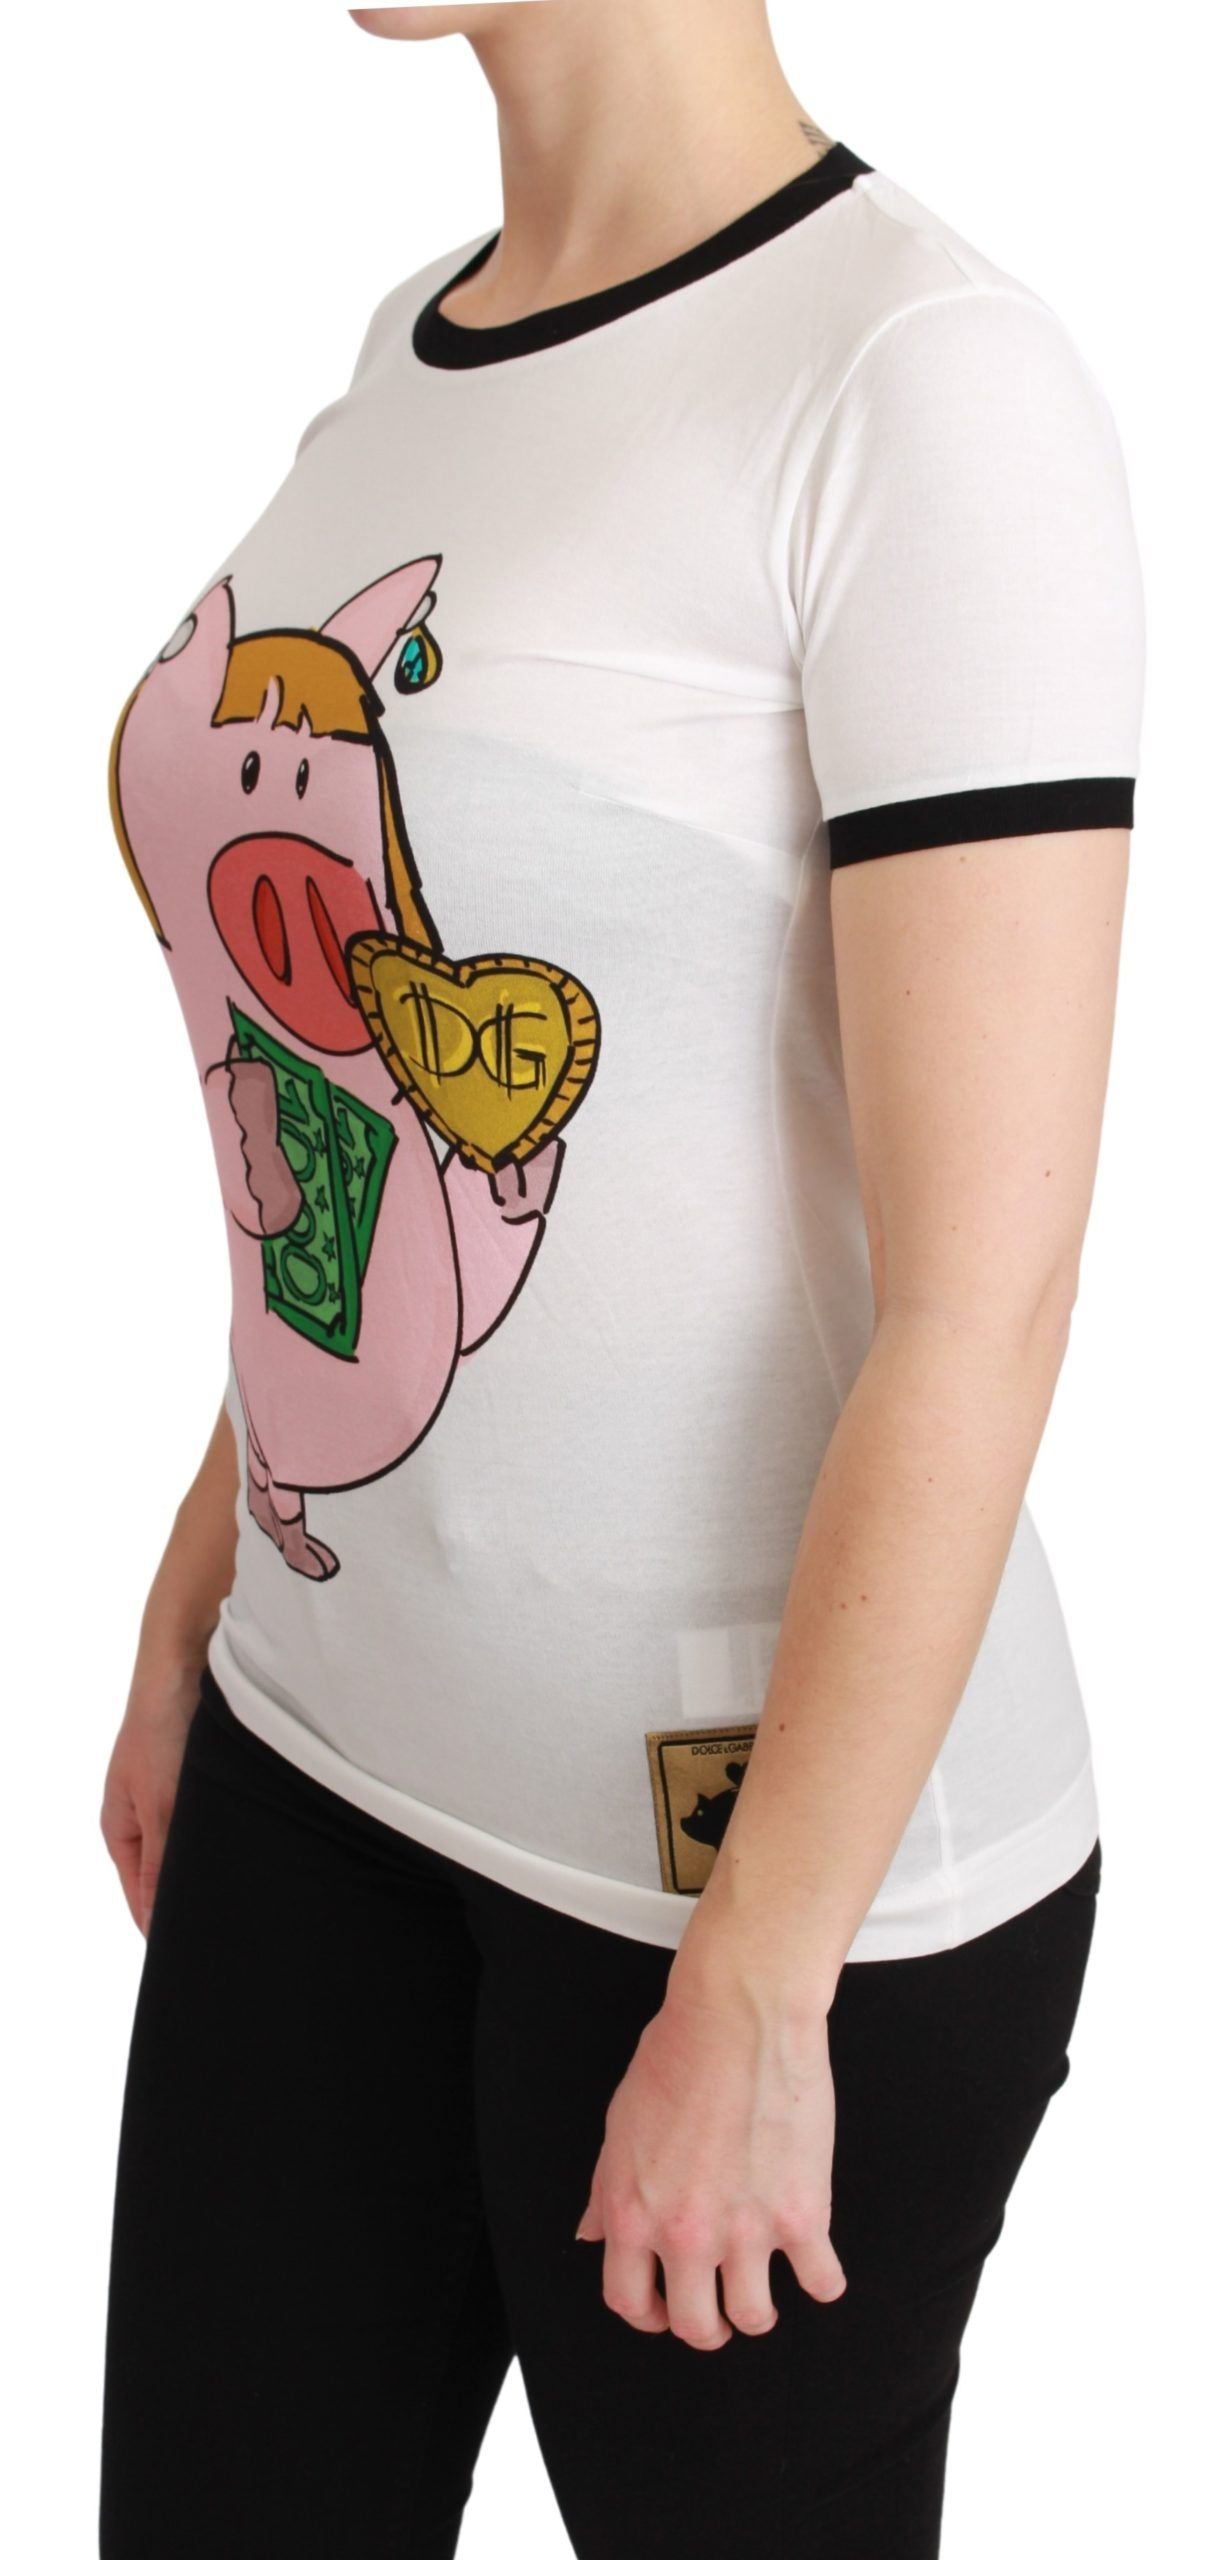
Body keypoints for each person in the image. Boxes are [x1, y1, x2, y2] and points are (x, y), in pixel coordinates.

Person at [96, 4, 1144, 2554]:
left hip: (743, 1892)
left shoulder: (917, 383)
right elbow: (348, 1091)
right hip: (316, 1761)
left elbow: (983, 1297)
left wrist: (760, 1985)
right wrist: (202, 1581)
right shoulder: (405, 360)